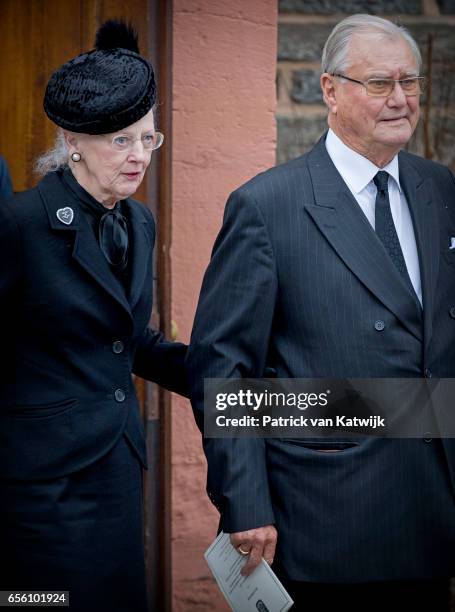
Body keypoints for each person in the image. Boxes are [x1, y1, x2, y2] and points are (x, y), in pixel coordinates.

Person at [187, 14, 455, 612]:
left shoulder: (440, 189)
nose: (402, 100)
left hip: (433, 508)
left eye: (411, 82)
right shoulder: (267, 204)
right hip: (327, 513)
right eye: (380, 83)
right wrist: (245, 502)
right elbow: (224, 367)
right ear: (330, 90)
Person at [0, 20, 187, 612]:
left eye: (148, 140)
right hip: (40, 489)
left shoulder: (140, 221)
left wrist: (231, 379)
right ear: (74, 139)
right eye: (120, 141)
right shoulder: (21, 224)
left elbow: (128, 342)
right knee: (40, 604)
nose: (138, 158)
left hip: (117, 473)